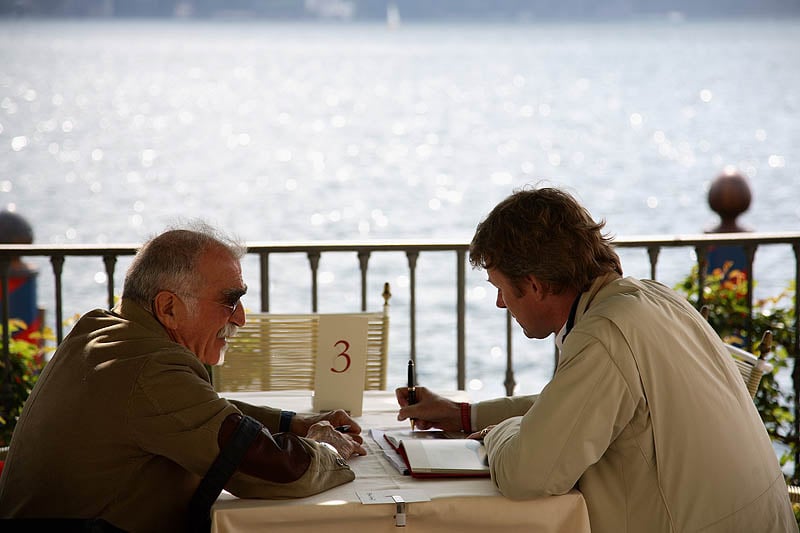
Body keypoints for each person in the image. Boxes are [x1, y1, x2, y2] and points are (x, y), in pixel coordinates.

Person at [396, 186, 796, 532]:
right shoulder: (653, 298)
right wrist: (464, 415)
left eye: (501, 288)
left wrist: (495, 435)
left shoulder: (605, 334)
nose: (500, 303)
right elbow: (573, 406)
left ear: (534, 285)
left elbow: (528, 474)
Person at [0, 223, 366, 532]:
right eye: (230, 300)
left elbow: (201, 410)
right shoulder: (150, 369)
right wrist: (330, 448)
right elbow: (282, 473)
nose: (240, 318)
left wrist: (295, 423)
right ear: (169, 308)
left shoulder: (103, 329)